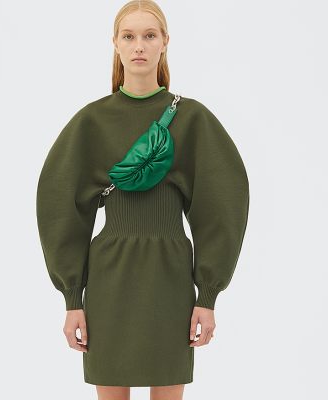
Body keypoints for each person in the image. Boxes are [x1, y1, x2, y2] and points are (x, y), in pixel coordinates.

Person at [35, 1, 249, 399]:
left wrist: (207, 296)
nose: (139, 46)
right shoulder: (92, 121)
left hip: (170, 278)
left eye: (149, 35)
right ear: (115, 44)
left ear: (165, 42)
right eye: (129, 36)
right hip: (109, 279)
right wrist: (72, 298)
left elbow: (222, 206)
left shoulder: (192, 119)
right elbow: (59, 206)